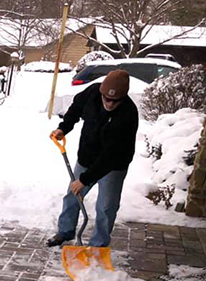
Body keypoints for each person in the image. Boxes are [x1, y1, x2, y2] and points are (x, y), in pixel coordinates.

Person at [47, 69, 139, 248]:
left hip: (113, 165)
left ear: (123, 97)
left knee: (106, 206)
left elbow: (111, 155)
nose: (110, 103)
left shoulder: (128, 114)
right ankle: (65, 232)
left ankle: (99, 245)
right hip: (87, 157)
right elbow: (75, 109)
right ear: (101, 92)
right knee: (72, 197)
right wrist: (63, 128)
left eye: (115, 100)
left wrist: (85, 179)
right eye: (106, 98)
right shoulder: (92, 93)